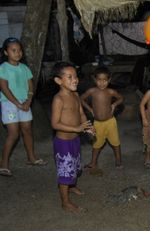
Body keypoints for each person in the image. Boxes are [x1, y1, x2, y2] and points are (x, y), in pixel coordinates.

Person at [0, 37, 47, 177]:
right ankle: (4, 164)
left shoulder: (24, 68)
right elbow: (4, 88)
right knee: (13, 133)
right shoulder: (3, 68)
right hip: (9, 103)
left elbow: (30, 86)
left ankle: (31, 158)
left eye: (19, 50)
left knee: (27, 130)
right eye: (13, 50)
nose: (17, 53)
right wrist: (17, 103)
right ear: (6, 52)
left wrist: (28, 100)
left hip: (24, 102)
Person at [51, 61, 94, 212]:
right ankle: (65, 202)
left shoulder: (75, 95)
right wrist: (76, 127)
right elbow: (55, 124)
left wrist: (87, 127)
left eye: (75, 76)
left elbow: (81, 113)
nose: (74, 79)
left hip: (75, 140)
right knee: (65, 172)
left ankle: (72, 186)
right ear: (58, 81)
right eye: (69, 77)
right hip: (63, 142)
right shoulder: (59, 99)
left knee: (74, 166)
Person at [80, 66, 124, 169]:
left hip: (110, 122)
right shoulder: (92, 91)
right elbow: (81, 99)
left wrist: (114, 104)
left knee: (115, 143)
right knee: (96, 144)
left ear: (109, 80)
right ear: (95, 79)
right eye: (99, 80)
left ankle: (118, 161)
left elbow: (121, 98)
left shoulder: (110, 92)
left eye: (105, 80)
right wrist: (90, 108)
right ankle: (93, 163)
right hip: (98, 123)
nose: (102, 83)